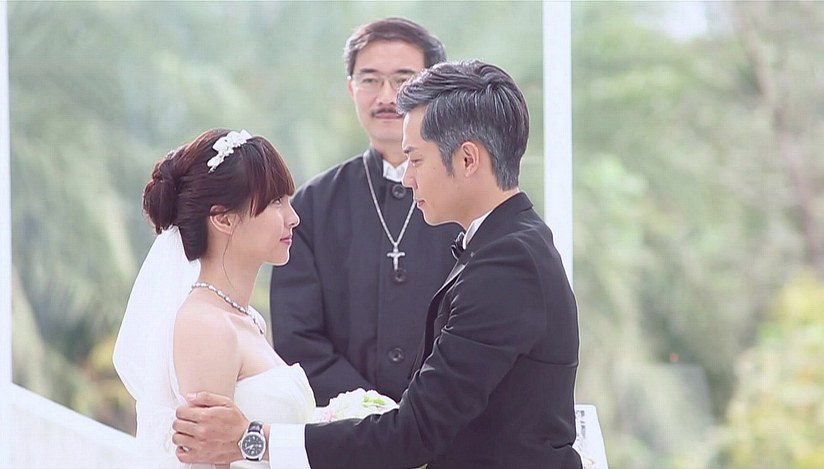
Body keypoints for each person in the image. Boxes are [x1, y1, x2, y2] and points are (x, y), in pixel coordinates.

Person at [173, 60, 582, 469]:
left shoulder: (507, 264)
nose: (406, 179)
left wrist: (251, 441)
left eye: (416, 160)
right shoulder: (505, 245)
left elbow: (415, 433)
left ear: (467, 159)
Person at [270, 17, 459, 405]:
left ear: (435, 88)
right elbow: (298, 339)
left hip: (452, 424)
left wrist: (424, 415)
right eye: (370, 79)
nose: (387, 96)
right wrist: (372, 413)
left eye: (404, 79)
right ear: (351, 88)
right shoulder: (311, 206)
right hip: (345, 428)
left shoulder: (468, 198)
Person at [113, 128, 315, 468]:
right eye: (275, 202)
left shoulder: (247, 319)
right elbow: (206, 459)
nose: (293, 218)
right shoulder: (206, 325)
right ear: (223, 219)